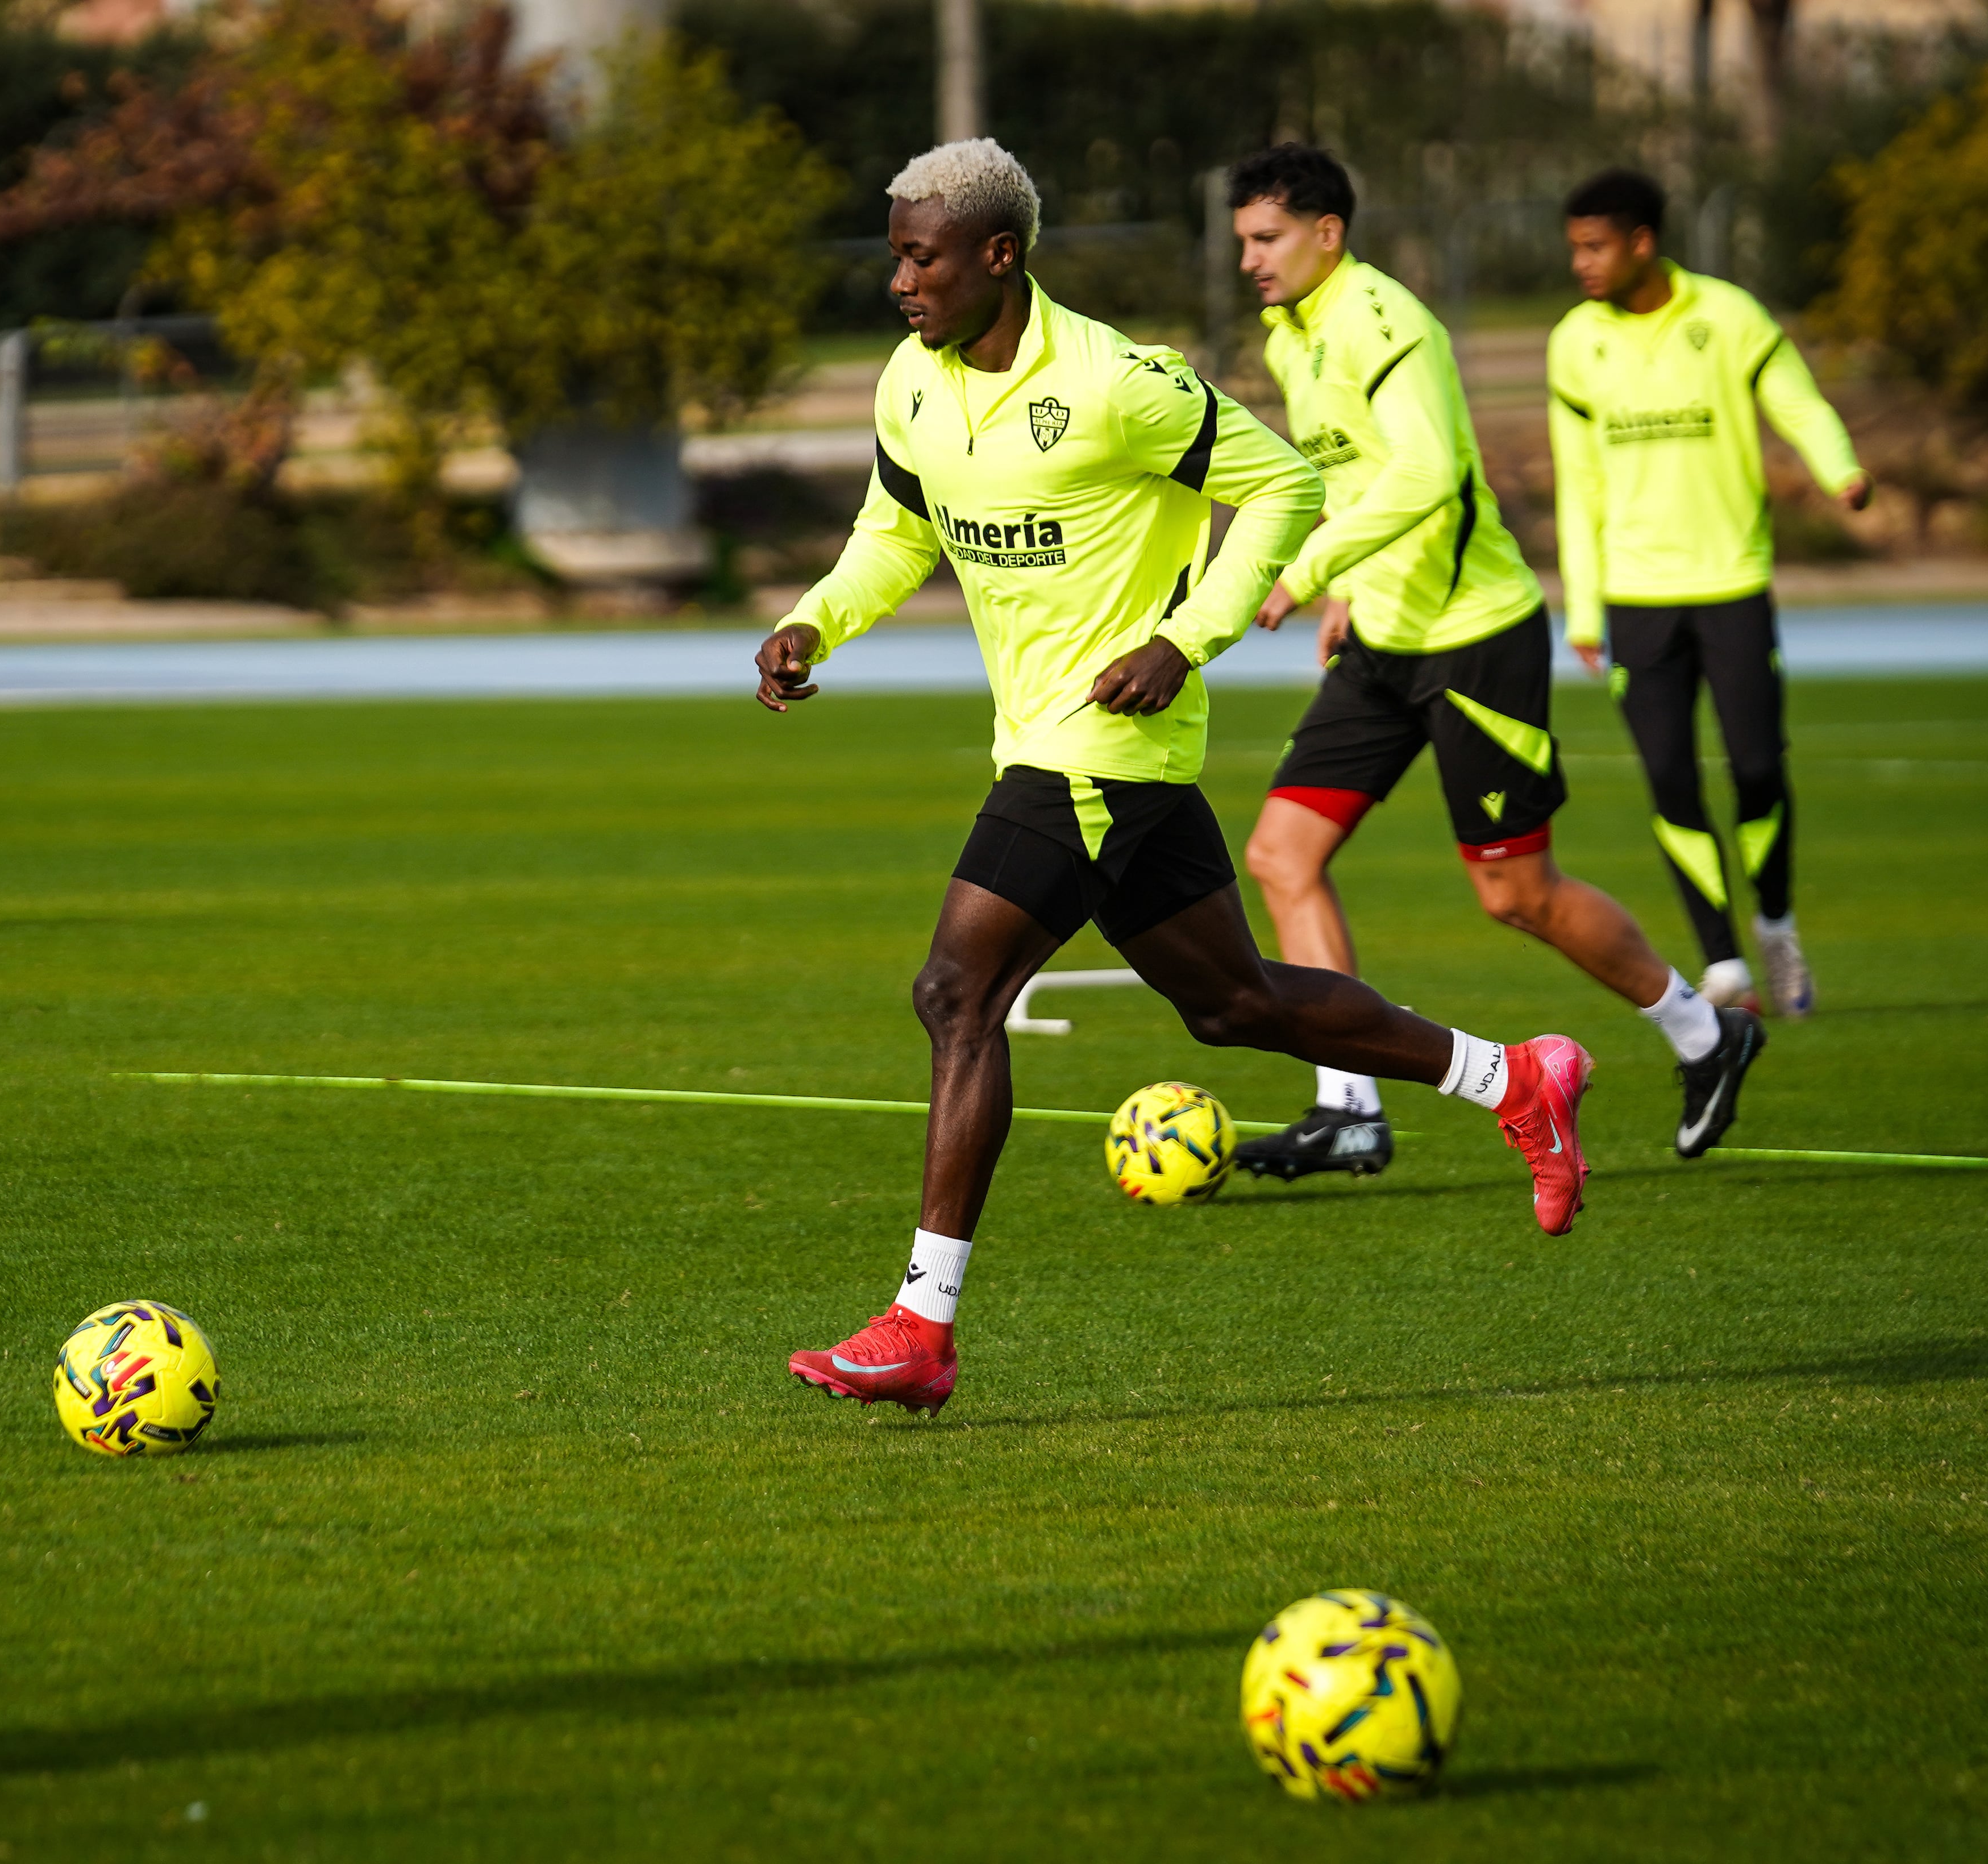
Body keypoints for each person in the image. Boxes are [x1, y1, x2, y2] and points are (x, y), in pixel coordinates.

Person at [754, 138, 1597, 1419]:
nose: (899, 283)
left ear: (999, 255)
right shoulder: (910, 381)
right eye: (895, 259)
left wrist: (1185, 638)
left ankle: (921, 1323)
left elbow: (1286, 486)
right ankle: (1514, 1076)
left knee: (956, 991)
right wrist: (814, 620)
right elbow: (896, 529)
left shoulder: (1117, 384)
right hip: (1056, 746)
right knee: (1234, 1002)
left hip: (1099, 744)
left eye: (921, 259)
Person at [1219, 143, 1766, 1188]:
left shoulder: (1387, 323)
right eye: (1243, 240)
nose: (1250, 259)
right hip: (1381, 643)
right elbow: (1355, 479)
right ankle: (1349, 1109)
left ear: (1327, 234)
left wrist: (1308, 570)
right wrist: (1346, 592)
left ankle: (1708, 1033)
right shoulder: (1293, 335)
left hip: (1475, 640)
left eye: (1267, 238)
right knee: (1283, 855)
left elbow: (1428, 472)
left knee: (1517, 895)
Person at [1553, 168, 1870, 1018]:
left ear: (1642, 242)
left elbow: (1797, 404)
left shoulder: (1729, 317)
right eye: (1574, 248)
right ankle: (1725, 965)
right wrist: (1583, 609)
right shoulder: (1575, 342)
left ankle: (1777, 925)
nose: (1581, 264)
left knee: (1758, 770)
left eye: (1595, 247)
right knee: (1670, 780)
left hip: (1731, 584)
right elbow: (1578, 485)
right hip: (1635, 599)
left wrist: (1840, 470)